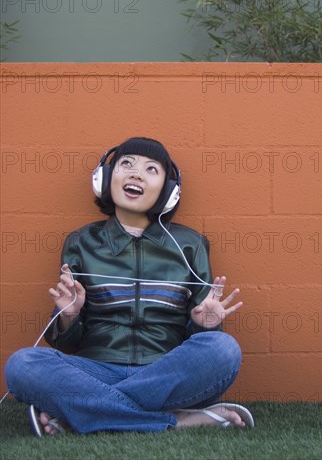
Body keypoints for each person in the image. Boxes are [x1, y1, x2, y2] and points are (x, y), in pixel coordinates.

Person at [5, 137, 254, 436]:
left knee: (223, 350)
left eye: (151, 169)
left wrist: (205, 325)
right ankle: (176, 420)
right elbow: (68, 345)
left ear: (167, 192)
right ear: (106, 179)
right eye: (127, 164)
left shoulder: (191, 246)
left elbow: (202, 343)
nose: (136, 174)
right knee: (23, 365)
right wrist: (69, 315)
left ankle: (80, 415)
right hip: (96, 372)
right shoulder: (81, 242)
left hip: (164, 374)